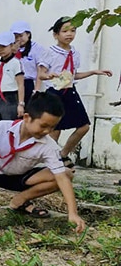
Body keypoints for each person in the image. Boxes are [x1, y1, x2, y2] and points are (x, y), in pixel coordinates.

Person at [0, 92, 86, 232]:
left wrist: (73, 213)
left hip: (19, 178)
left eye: (52, 127)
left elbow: (61, 178)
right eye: (43, 125)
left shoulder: (48, 145)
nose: (47, 131)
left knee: (66, 174)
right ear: (27, 117)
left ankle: (21, 200)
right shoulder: (1, 127)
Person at [36, 16, 113, 166]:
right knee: (55, 129)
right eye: (65, 31)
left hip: (70, 91)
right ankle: (51, 162)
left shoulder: (74, 53)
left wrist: (94, 72)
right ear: (56, 34)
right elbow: (41, 74)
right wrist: (49, 75)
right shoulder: (50, 52)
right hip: (54, 92)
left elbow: (73, 75)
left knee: (84, 126)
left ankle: (63, 154)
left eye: (73, 30)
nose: (69, 34)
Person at [0, 32, 24, 125]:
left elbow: (21, 84)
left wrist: (21, 104)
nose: (0, 50)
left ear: (11, 46)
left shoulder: (15, 63)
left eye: (3, 46)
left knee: (7, 124)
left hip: (9, 97)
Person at [11, 20, 44, 104]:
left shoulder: (37, 48)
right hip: (14, 85)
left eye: (21, 35)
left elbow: (40, 70)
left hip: (29, 83)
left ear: (28, 34)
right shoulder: (11, 48)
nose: (18, 39)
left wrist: (36, 90)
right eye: (16, 36)